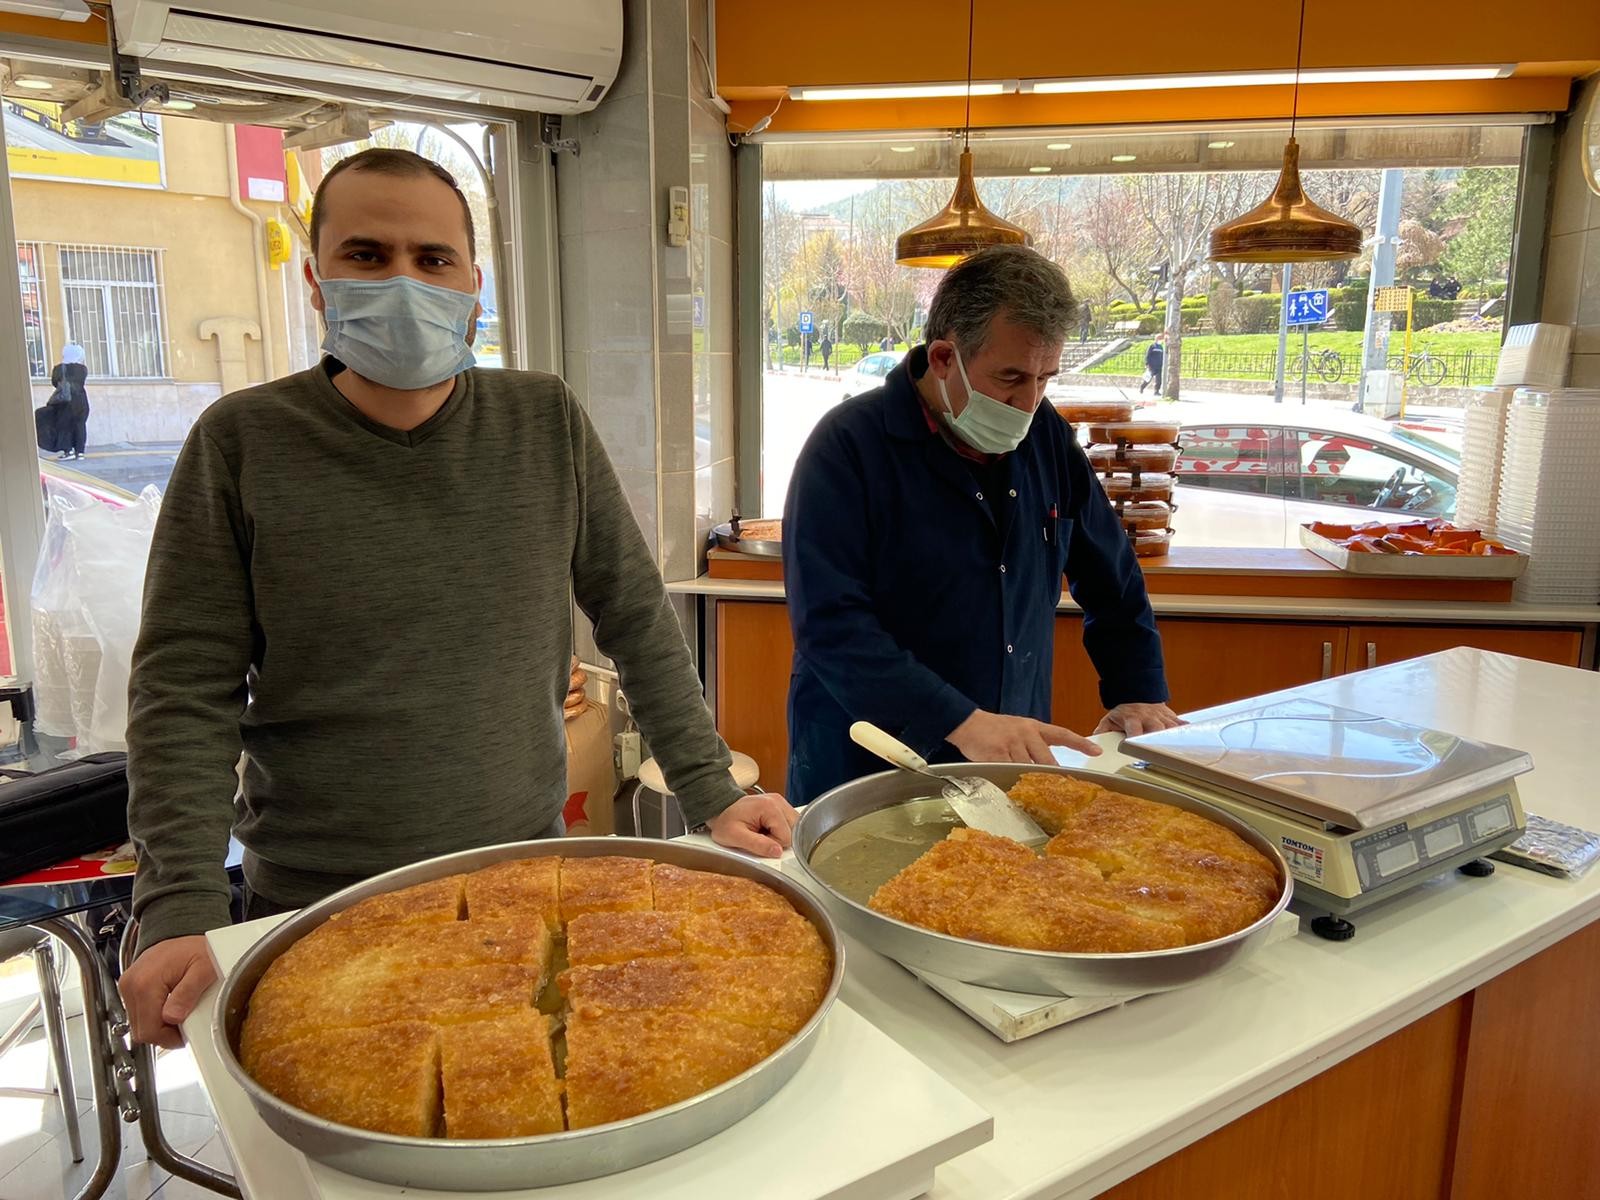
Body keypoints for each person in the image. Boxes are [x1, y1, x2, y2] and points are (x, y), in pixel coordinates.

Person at [118, 148, 796, 1049]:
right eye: (367, 255)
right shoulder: (242, 443)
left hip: (518, 875)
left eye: (431, 259)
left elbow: (635, 613)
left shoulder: (542, 421)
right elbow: (182, 692)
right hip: (320, 900)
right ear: (318, 282)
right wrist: (178, 904)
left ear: (475, 284)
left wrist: (711, 788)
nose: (402, 280)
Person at [782, 245, 1180, 806]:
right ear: (944, 357)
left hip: (1007, 754)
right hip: (871, 759)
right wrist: (960, 720)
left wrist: (1138, 691)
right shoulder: (848, 447)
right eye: (1011, 377)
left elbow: (1110, 574)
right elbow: (831, 625)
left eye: (1045, 377)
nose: (1028, 401)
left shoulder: (1045, 436)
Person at [48, 343, 90, 460]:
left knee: (64, 425)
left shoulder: (58, 368)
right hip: (81, 400)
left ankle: (68, 451)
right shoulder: (83, 369)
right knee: (80, 425)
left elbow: (55, 382)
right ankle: (80, 452)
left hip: (66, 400)